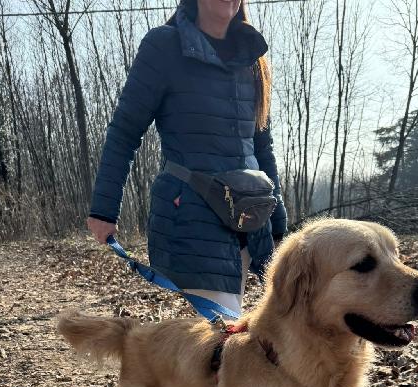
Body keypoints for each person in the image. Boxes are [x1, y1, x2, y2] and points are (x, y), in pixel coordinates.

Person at [87, 0, 287, 317]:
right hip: (192, 218)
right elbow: (125, 130)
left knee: (239, 340)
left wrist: (278, 225)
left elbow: (261, 145)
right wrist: (104, 209)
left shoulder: (251, 54)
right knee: (220, 333)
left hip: (252, 221)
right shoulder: (164, 46)